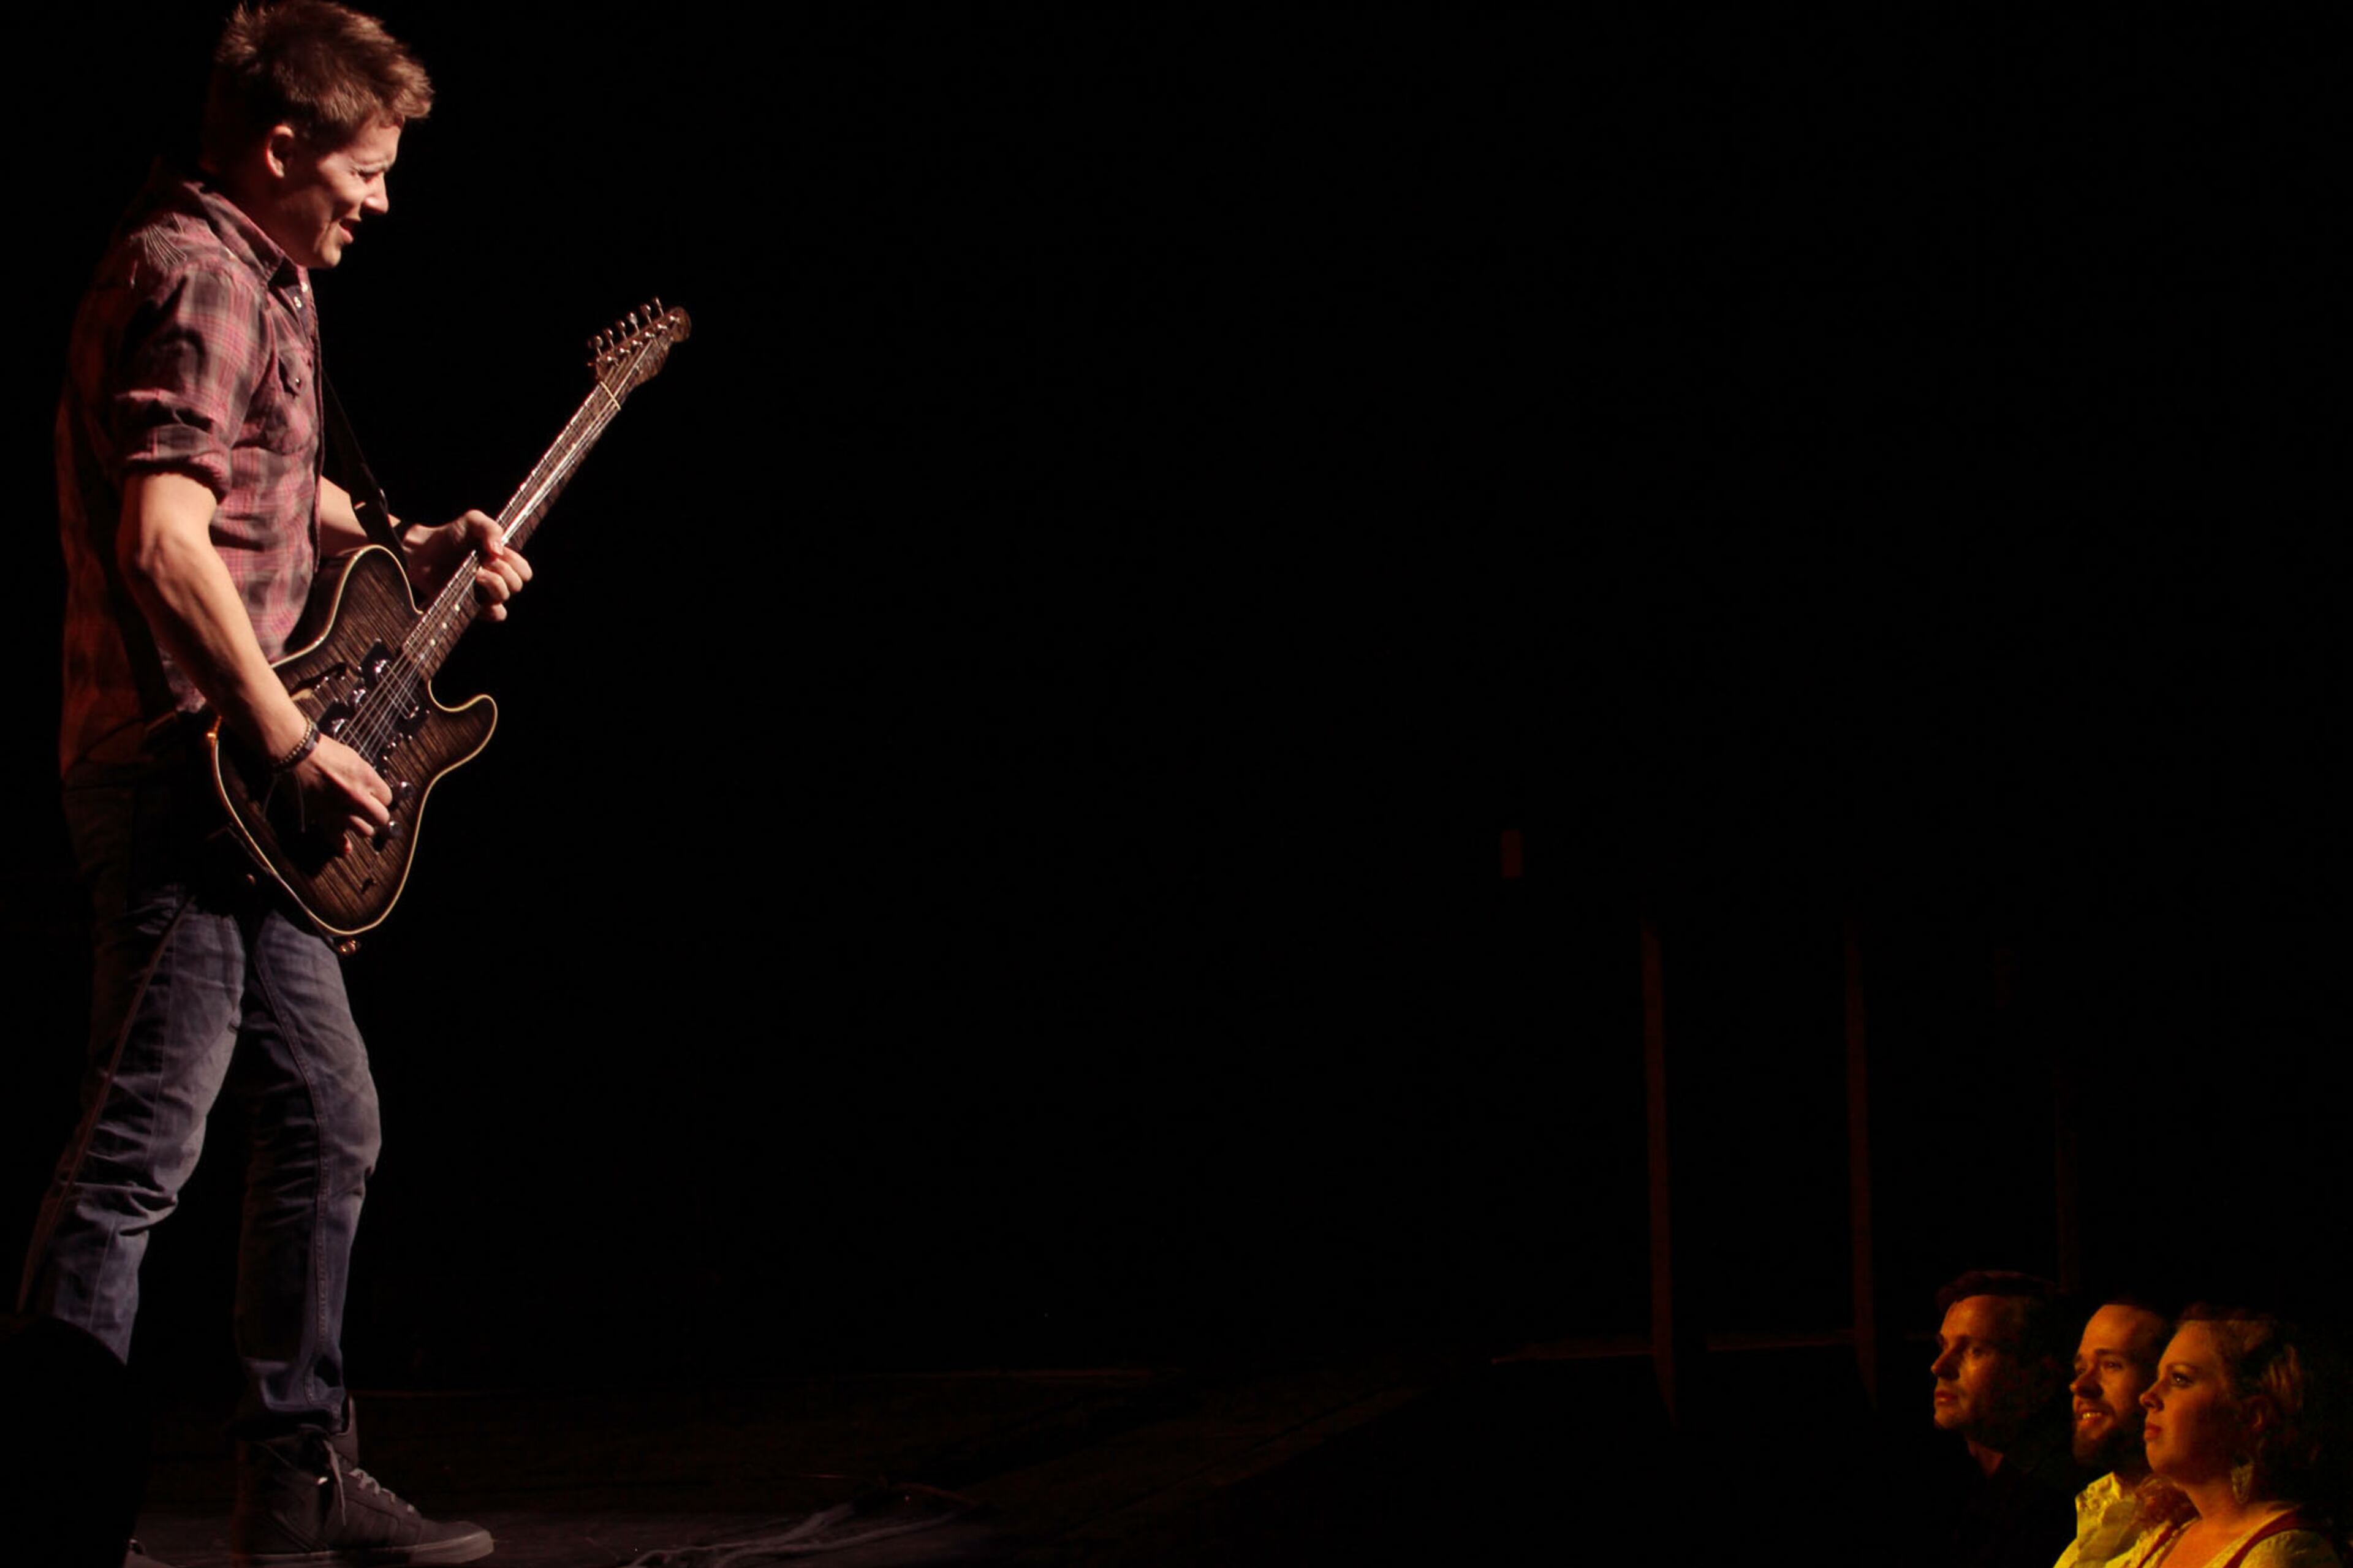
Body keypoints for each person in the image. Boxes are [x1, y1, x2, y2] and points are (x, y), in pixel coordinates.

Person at [12, 3, 525, 1562]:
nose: (383, 200)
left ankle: (295, 1480)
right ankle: (51, 1505)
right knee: (136, 1156)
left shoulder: (261, 274)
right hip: (188, 776)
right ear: (284, 146)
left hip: (240, 794)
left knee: (327, 1116)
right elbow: (165, 542)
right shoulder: (200, 278)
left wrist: (404, 541)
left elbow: (263, 478)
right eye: (365, 169)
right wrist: (290, 738)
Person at [2116, 1308, 2344, 1568]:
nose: (2147, 1397)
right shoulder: (2168, 1537)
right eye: (2157, 1378)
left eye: (2180, 1379)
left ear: (2251, 1416)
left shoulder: (2283, 1553)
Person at [1924, 1270, 2087, 1568]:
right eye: (1944, 1346)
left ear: (2041, 1378)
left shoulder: (2058, 1503)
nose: (1939, 1366)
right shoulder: (1950, 1483)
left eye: (1975, 1350)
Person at [2058, 1297, 2175, 1568]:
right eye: (2081, 1369)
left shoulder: (2195, 1532)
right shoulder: (2098, 1507)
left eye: (2111, 1365)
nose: (2080, 1385)